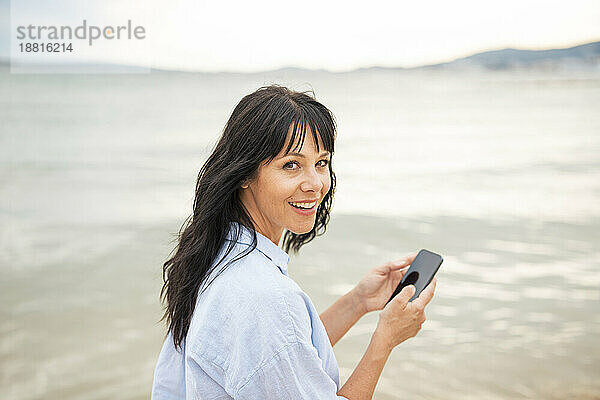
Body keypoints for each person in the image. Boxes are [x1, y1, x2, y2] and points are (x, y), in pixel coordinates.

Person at [151, 85, 437, 399]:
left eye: (322, 163)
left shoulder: (218, 254)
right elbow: (274, 340)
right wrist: (385, 340)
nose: (315, 184)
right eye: (291, 165)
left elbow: (281, 359)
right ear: (244, 173)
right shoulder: (261, 296)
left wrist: (358, 302)